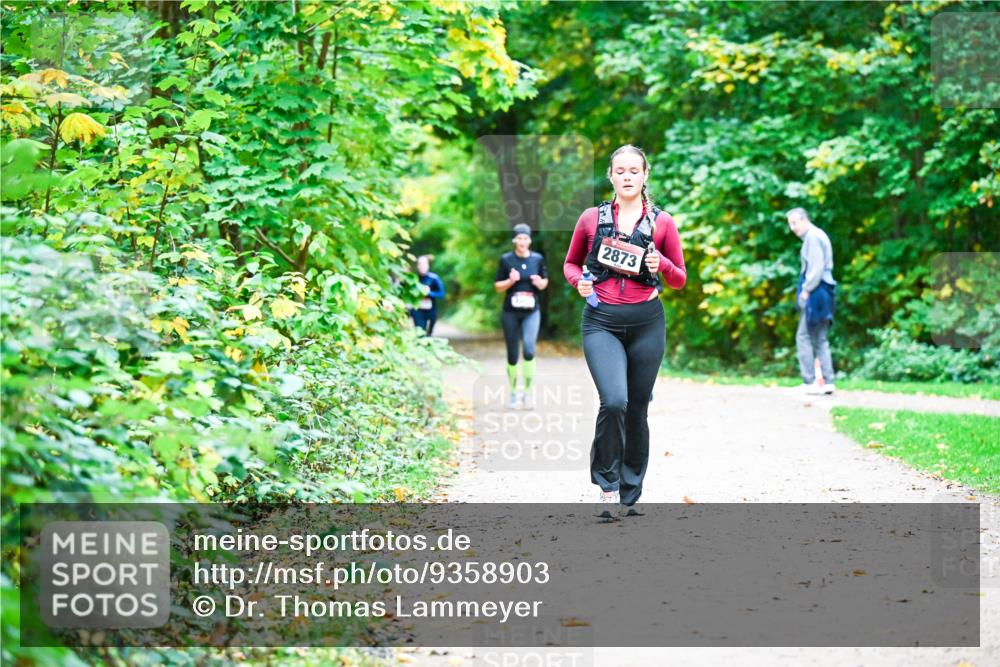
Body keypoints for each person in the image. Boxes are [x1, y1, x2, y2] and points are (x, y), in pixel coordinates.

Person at [563, 144, 686, 520]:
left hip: (647, 322)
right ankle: (607, 485)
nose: (628, 176)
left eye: (635, 170)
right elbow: (570, 264)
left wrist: (660, 261)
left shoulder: (663, 222)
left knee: (637, 407)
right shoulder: (590, 218)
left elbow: (679, 279)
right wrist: (579, 283)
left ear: (645, 175)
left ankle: (630, 493)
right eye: (621, 170)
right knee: (614, 401)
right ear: (611, 176)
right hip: (601, 322)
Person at [494, 224, 549, 409]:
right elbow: (497, 286)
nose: (522, 241)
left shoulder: (538, 259)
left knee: (529, 350)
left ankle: (527, 392)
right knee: (512, 354)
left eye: (526, 238)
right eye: (519, 238)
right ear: (514, 240)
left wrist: (539, 282)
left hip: (532, 312)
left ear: (530, 240)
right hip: (510, 312)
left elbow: (544, 283)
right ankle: (513, 393)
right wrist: (510, 281)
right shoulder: (506, 260)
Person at [786, 207, 836, 395]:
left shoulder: (813, 237)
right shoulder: (818, 235)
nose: (792, 228)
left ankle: (808, 382)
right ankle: (828, 382)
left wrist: (806, 290)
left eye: (794, 222)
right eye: (790, 224)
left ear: (804, 220)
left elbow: (815, 268)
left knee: (804, 336)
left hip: (817, 291)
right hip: (825, 290)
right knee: (820, 338)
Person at [411, 255, 445, 335]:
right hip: (417, 310)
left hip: (431, 310)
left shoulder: (434, 278)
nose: (422, 266)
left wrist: (429, 293)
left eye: (424, 264)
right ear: (417, 266)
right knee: (420, 333)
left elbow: (441, 294)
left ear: (428, 265)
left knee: (429, 334)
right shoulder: (413, 278)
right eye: (420, 264)